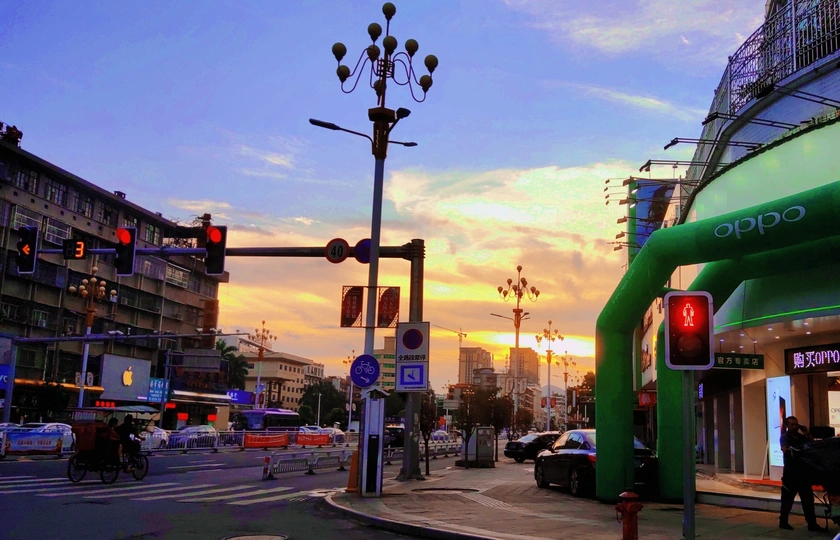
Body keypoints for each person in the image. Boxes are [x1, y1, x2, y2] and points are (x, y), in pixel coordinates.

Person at [779, 416, 827, 532]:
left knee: (808, 500)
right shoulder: (785, 437)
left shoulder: (801, 437)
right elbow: (785, 449)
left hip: (803, 474)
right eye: (792, 425)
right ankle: (783, 521)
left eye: (796, 424)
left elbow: (813, 445)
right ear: (787, 426)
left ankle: (812, 524)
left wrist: (807, 433)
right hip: (791, 474)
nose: (795, 427)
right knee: (787, 499)